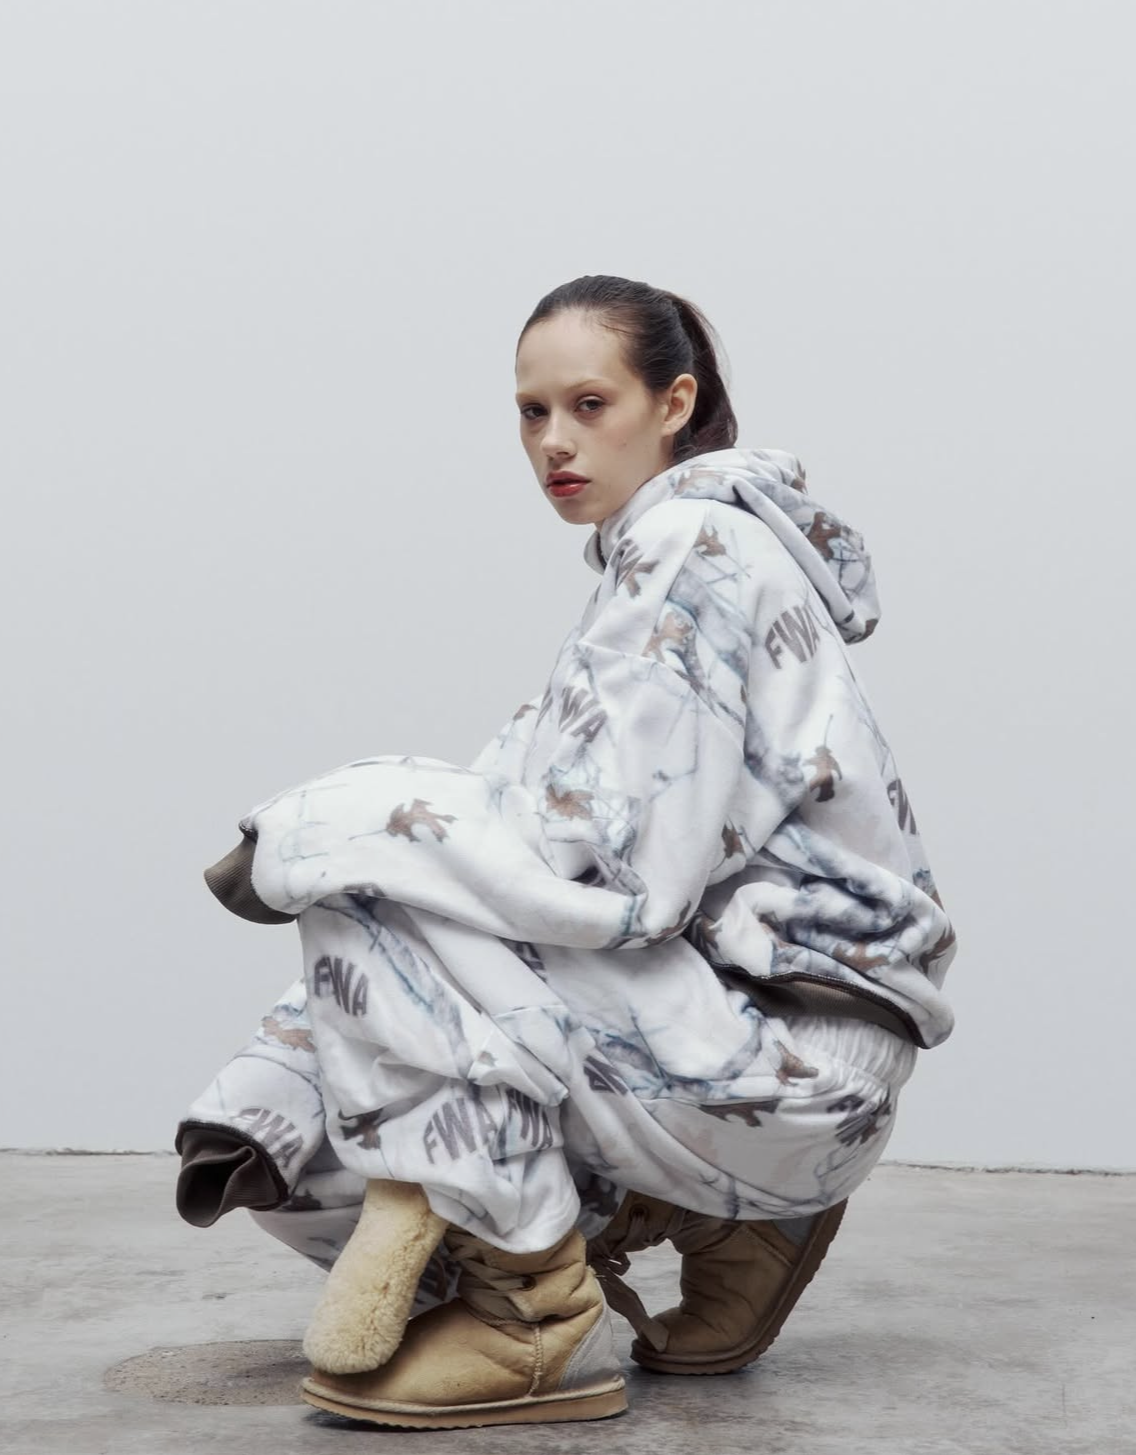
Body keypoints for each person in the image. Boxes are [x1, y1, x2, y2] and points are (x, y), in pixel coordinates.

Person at [176, 274, 958, 1431]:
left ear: (672, 403)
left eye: (589, 405)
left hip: (791, 1053)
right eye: (531, 412)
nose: (553, 441)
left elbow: (616, 880)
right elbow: (532, 818)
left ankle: (537, 1320)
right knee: (314, 1118)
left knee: (369, 894)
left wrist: (324, 826)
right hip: (725, 1031)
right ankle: (717, 1220)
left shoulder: (690, 549)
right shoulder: (655, 556)